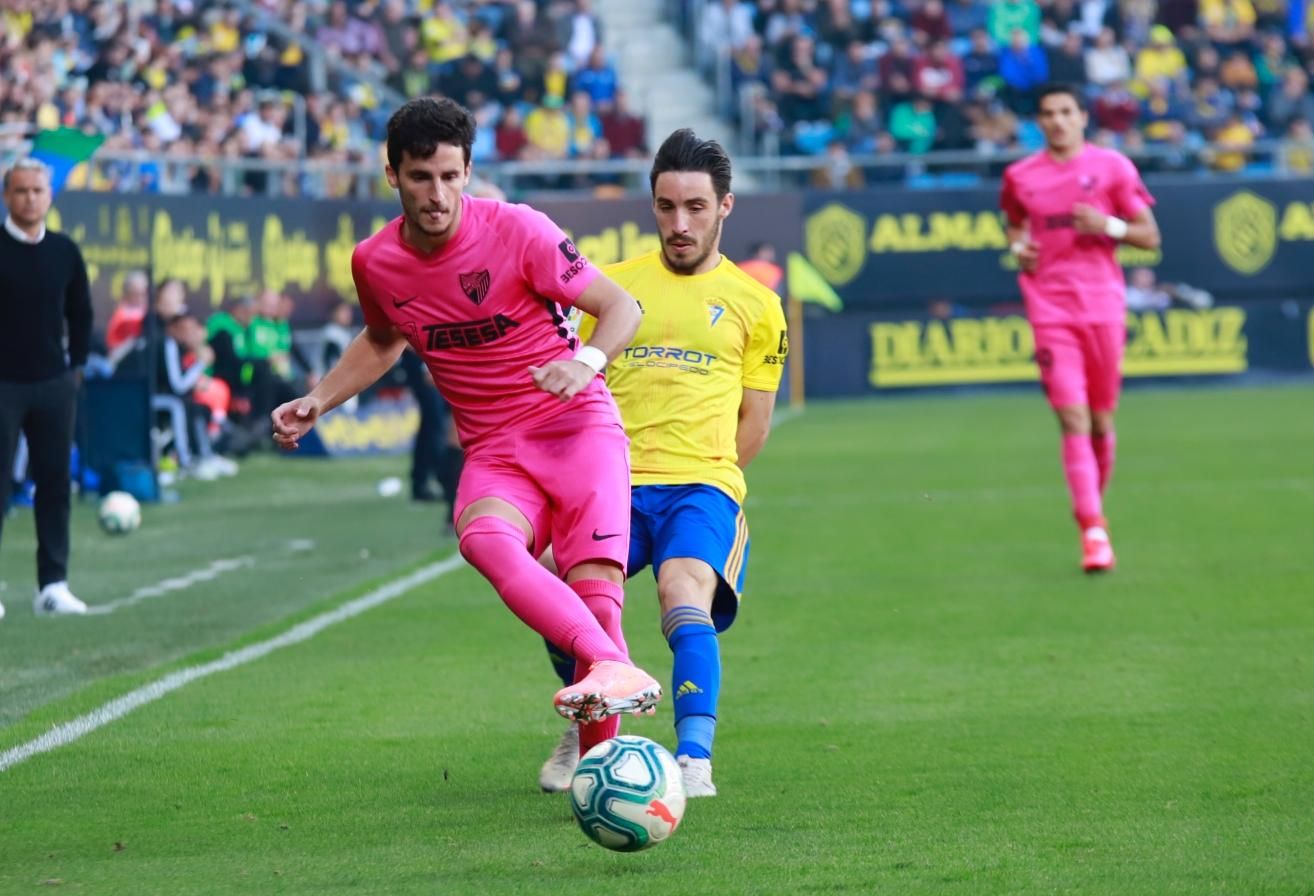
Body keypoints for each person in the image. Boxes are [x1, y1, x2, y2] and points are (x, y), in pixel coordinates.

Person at [270, 97, 661, 727]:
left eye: (451, 176)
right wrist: (320, 398)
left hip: (578, 430)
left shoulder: (519, 229)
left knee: (598, 602)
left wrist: (584, 362)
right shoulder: (375, 261)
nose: (437, 194)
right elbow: (381, 339)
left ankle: (599, 763)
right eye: (421, 177)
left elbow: (623, 307)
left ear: (469, 171)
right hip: (496, 450)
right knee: (482, 540)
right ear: (392, 174)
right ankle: (608, 665)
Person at [538, 129, 789, 797]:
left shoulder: (757, 305)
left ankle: (693, 759)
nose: (680, 224)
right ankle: (591, 711)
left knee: (683, 594)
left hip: (700, 487)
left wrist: (709, 477)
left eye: (696, 208)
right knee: (561, 601)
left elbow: (755, 425)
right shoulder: (610, 286)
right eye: (667, 207)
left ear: (725, 207)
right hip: (609, 487)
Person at [999, 83, 1161, 573]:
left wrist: (1109, 226)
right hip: (1050, 308)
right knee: (1072, 418)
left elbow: (1150, 237)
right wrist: (1017, 249)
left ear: (1082, 117)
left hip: (1103, 307)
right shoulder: (1020, 175)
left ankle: (1096, 515)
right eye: (1047, 113)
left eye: (1066, 112)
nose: (1057, 121)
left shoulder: (1112, 167)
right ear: (1039, 122)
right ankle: (1092, 529)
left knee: (1101, 422)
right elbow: (1014, 224)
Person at [0, 158, 94, 619]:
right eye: (20, 191)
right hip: (2, 384)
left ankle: (53, 585)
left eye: (37, 190)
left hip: (53, 384)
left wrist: (74, 366)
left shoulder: (64, 251)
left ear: (49, 195)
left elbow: (81, 312)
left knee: (55, 483)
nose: (30, 198)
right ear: (6, 196)